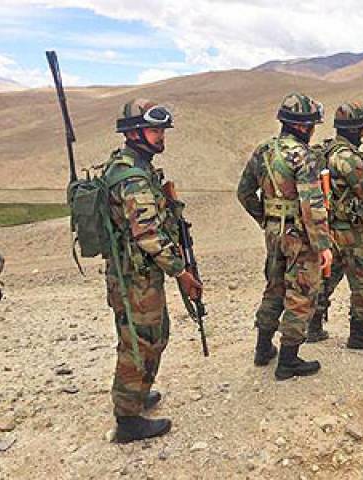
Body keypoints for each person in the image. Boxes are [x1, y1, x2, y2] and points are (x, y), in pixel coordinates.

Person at [103, 99, 202, 443]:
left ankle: (138, 395)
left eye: (162, 130)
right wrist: (181, 272)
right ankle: (127, 420)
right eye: (154, 130)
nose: (161, 137)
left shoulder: (133, 166)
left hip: (137, 274)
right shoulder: (133, 177)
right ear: (134, 132)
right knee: (139, 341)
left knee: (153, 336)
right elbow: (147, 234)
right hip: (135, 278)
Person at [237, 92, 332, 380]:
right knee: (301, 293)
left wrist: (266, 219)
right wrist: (323, 245)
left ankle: (263, 348)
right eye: (312, 124)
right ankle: (289, 360)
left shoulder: (263, 150)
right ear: (303, 126)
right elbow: (311, 204)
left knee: (274, 287)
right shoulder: (304, 156)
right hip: (300, 234)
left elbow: (244, 192)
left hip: (274, 232)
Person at [306, 102, 363, 350]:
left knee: (327, 276)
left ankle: (313, 327)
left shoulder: (322, 153)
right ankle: (358, 334)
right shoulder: (348, 159)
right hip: (351, 231)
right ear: (355, 129)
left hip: (327, 230)